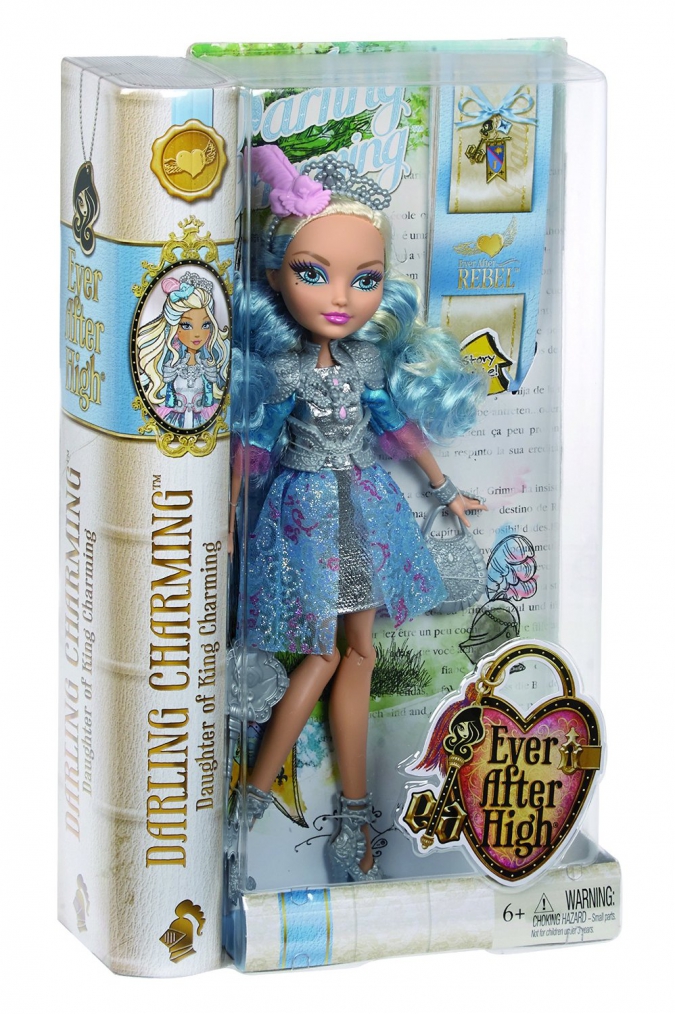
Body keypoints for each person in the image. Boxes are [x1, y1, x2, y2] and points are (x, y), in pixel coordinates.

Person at [230, 146, 486, 880]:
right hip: (306, 515)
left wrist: (442, 487)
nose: (340, 297)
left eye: (364, 280)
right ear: (275, 276)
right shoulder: (281, 370)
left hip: (369, 511)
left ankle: (353, 813)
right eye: (313, 273)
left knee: (359, 654)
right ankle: (250, 800)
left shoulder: (368, 364)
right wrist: (229, 522)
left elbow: (397, 428)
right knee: (321, 653)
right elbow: (252, 448)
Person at [137, 271, 229, 430]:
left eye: (205, 325)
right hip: (174, 419)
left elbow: (210, 396)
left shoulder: (208, 364)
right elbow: (168, 396)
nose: (197, 334)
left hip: (202, 420)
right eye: (186, 325)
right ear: (174, 328)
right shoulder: (170, 365)